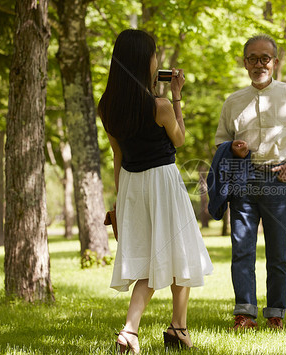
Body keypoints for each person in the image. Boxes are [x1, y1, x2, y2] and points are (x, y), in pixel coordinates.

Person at [98, 29, 213, 353]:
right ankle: (164, 328)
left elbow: (118, 156)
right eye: (153, 55)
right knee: (179, 252)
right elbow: (179, 140)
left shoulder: (106, 107)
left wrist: (120, 205)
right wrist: (177, 96)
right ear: (144, 61)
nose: (156, 60)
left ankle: (162, 329)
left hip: (132, 185)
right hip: (163, 183)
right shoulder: (160, 106)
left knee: (159, 257)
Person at [214, 34, 286, 330]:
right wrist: (233, 148)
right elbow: (221, 144)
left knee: (277, 252)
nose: (259, 64)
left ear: (275, 62)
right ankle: (245, 314)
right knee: (242, 249)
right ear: (244, 62)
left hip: (278, 180)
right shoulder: (233, 102)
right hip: (244, 180)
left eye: (265, 58)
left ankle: (276, 313)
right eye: (253, 58)